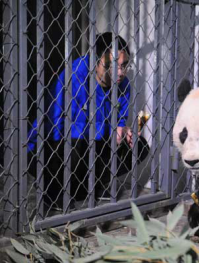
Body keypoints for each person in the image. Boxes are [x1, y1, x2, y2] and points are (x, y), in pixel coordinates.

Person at [28, 32, 149, 210]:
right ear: (95, 60)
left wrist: (124, 131)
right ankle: (53, 192)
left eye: (124, 66)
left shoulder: (124, 85)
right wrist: (109, 130)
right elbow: (57, 126)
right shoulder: (74, 75)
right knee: (77, 139)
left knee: (140, 146)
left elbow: (120, 120)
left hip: (90, 148)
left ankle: (95, 186)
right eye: (112, 65)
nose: (120, 72)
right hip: (50, 148)